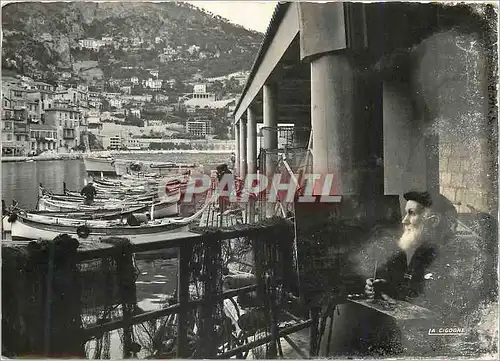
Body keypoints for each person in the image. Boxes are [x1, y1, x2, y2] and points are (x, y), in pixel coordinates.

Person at [363, 191, 489, 356]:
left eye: (411, 213)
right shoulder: (423, 252)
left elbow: (460, 316)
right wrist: (387, 289)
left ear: (434, 221)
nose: (404, 221)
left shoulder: (464, 254)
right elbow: (414, 292)